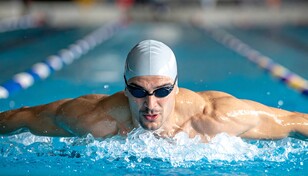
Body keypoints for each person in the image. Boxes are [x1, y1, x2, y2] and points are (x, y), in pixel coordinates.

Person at [0, 40, 307, 142]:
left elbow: (292, 122)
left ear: (176, 87)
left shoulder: (214, 118)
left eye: (162, 91)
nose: (150, 104)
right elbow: (23, 117)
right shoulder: (94, 119)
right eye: (138, 91)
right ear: (124, 87)